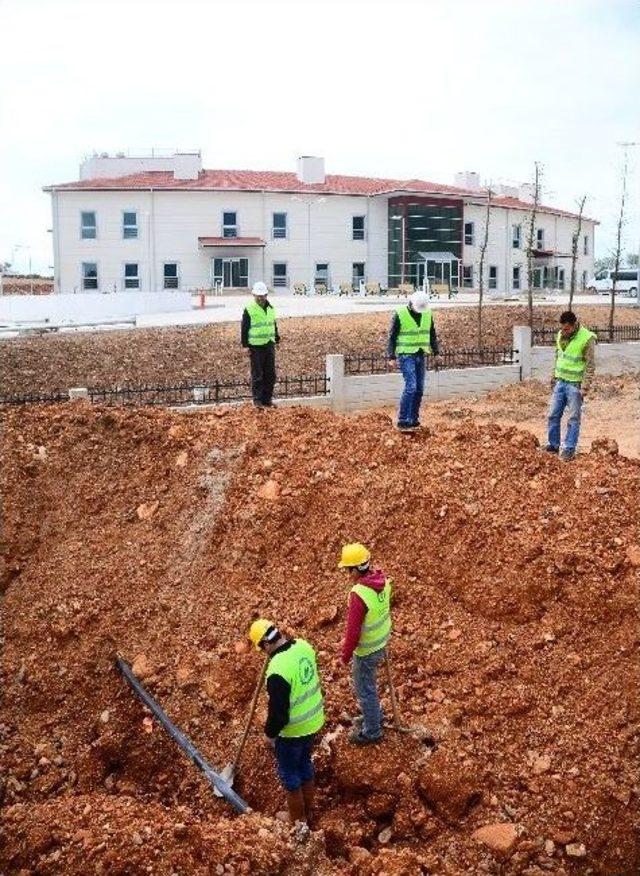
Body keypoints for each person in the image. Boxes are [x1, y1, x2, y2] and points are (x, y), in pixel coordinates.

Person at [248, 619, 324, 825]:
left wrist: (269, 735)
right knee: (305, 764)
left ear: (264, 645)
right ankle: (309, 813)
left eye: (261, 648)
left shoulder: (277, 671)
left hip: (293, 732)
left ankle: (297, 819)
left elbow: (278, 715)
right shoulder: (303, 646)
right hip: (314, 722)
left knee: (290, 775)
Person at [338, 543, 392, 745]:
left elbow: (353, 632)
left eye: (347, 570)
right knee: (369, 685)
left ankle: (372, 731)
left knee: (365, 689)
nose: (346, 574)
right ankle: (374, 716)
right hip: (381, 641)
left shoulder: (358, 594)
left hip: (367, 649)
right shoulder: (383, 580)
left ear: (354, 569)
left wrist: (345, 656)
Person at [546, 311, 596, 461]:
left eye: (567, 329)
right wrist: (553, 377)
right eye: (562, 328)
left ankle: (569, 448)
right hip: (560, 381)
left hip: (575, 385)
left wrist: (585, 387)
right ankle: (553, 445)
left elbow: (590, 365)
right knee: (553, 415)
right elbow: (558, 357)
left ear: (574, 325)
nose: (564, 331)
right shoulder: (560, 335)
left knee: (573, 418)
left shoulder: (587, 338)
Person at [387, 289, 439, 431]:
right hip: (406, 355)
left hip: (420, 354)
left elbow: (432, 334)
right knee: (411, 387)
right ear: (411, 303)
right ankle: (403, 421)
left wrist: (436, 352)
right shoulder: (400, 313)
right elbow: (392, 336)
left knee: (419, 389)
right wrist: (391, 356)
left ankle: (414, 420)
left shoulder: (427, 313)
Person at [241, 281, 280, 408]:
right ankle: (257, 400)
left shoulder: (270, 308)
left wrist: (276, 337)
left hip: (269, 344)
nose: (260, 298)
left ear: (266, 295)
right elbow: (244, 328)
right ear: (253, 295)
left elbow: (272, 324)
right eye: (257, 295)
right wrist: (245, 345)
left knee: (270, 374)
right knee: (257, 374)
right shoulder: (249, 309)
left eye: (262, 295)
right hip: (256, 346)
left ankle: (267, 399)